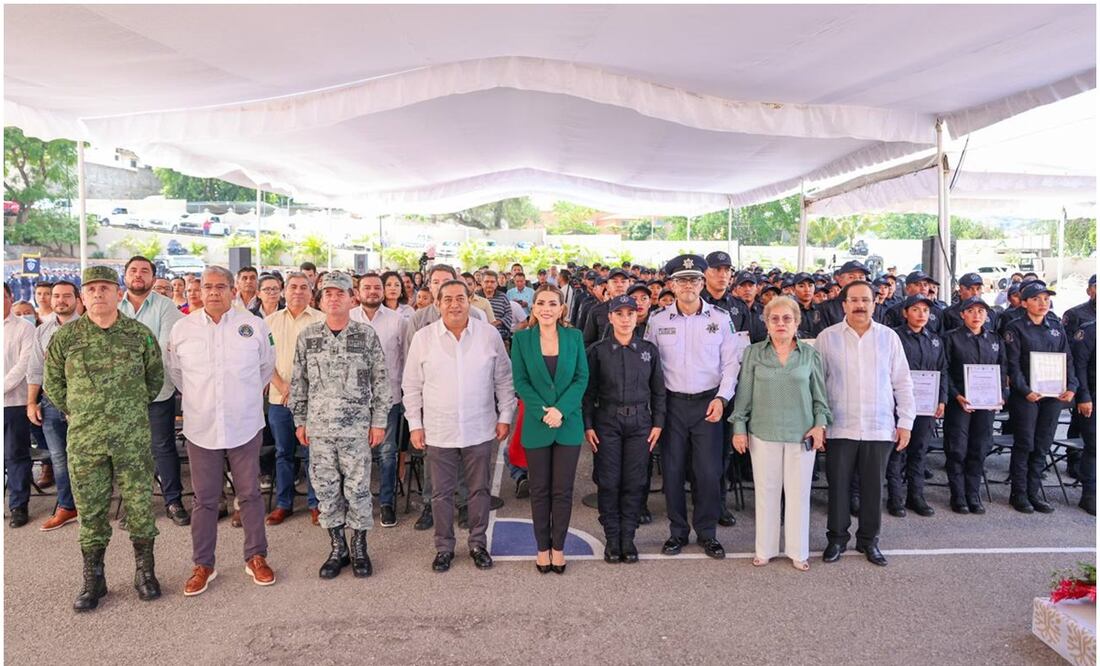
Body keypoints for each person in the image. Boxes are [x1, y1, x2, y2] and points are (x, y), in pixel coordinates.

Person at [43, 266, 164, 611]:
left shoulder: (138, 335)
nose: (98, 294)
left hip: (132, 439)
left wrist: (128, 409)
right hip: (86, 440)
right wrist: (81, 410)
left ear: (117, 293)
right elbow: (53, 385)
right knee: (91, 511)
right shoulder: (66, 338)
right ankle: (93, 579)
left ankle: (145, 573)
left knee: (140, 506)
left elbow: (154, 380)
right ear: (83, 296)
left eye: (105, 288)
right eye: (91, 288)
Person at [167, 266, 277, 596]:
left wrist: (240, 397)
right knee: (205, 499)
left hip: (244, 422)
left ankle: (256, 557)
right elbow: (176, 374)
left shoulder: (254, 326)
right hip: (202, 426)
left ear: (232, 290)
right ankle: (203, 564)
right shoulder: (182, 329)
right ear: (198, 291)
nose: (213, 292)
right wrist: (204, 399)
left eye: (220, 287)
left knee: (251, 494)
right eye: (207, 287)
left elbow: (265, 368)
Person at [402, 280, 515, 573]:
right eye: (448, 299)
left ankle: (478, 544)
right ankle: (444, 548)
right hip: (439, 430)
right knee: (441, 493)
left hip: (480, 428)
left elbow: (503, 379)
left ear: (470, 301)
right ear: (437, 303)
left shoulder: (488, 335)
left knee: (479, 491)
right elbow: (411, 385)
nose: (455, 304)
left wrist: (505, 417)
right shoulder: (424, 338)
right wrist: (415, 424)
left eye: (460, 298)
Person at [291, 272, 390, 578]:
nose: (334, 299)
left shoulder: (366, 334)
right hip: (319, 429)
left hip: (356, 429)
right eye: (328, 294)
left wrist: (379, 421)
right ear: (320, 300)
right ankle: (338, 548)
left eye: (340, 293)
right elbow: (299, 382)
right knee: (326, 489)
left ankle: (359, 547)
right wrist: (300, 419)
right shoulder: (308, 336)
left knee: (358, 489)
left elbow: (381, 380)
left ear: (352, 299)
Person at [644, 255, 742, 560]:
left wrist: (722, 398)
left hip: (708, 405)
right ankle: (677, 532)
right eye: (682, 280)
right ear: (672, 285)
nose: (688, 285)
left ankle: (707, 532)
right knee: (672, 471)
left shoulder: (720, 318)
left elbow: (731, 363)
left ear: (703, 283)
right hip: (672, 406)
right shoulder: (657, 321)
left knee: (709, 472)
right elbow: (651, 366)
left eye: (694, 280)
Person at [815, 280, 915, 567]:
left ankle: (869, 541)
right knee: (838, 487)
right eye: (854, 300)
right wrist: (819, 424)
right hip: (839, 426)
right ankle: (836, 539)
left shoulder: (889, 338)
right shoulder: (827, 337)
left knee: (873, 488)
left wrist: (905, 422)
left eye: (866, 300)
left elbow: (902, 382)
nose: (860, 305)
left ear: (875, 303)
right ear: (843, 304)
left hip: (878, 425)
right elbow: (817, 384)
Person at [730, 296, 830, 571]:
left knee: (798, 494)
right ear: (766, 323)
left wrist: (819, 425)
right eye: (774, 319)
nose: (781, 323)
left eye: (787, 318)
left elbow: (820, 398)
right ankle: (765, 549)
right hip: (763, 432)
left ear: (797, 322)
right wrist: (739, 427)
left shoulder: (810, 355)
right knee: (766, 492)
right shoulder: (754, 353)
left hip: (802, 435)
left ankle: (798, 551)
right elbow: (744, 395)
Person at [511, 284, 589, 573]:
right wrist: (543, 412)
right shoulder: (522, 340)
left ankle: (559, 548)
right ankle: (542, 548)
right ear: (533, 308)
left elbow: (581, 378)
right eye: (541, 302)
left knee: (562, 490)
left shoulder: (574, 337)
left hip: (567, 424)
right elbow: (520, 381)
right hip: (537, 423)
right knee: (540, 490)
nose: (547, 308)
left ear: (561, 308)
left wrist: (561, 410)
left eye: (552, 303)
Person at [401, 264, 486, 531]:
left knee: (465, 455)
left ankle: (463, 505)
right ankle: (430, 505)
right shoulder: (419, 318)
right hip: (433, 401)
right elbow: (411, 363)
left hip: (469, 403)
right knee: (433, 459)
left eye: (447, 281)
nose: (441, 286)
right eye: (436, 282)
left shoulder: (477, 316)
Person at [583, 295, 665, 564]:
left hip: (640, 423)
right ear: (610, 317)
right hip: (607, 421)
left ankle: (628, 538)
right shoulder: (597, 351)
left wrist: (658, 423)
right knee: (608, 482)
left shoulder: (649, 350)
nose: (626, 318)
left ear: (637, 317)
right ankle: (612, 538)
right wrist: (588, 425)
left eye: (631, 313)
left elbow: (658, 391)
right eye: (620, 313)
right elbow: (588, 392)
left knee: (634, 482)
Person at [118, 256, 190, 527]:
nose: (138, 275)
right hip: (121, 397)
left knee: (162, 447)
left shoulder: (166, 307)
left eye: (144, 271)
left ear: (152, 277)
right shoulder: (115, 306)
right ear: (125, 276)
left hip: (156, 391)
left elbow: (161, 349)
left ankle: (173, 501)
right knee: (130, 451)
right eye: (133, 270)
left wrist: (128, 365)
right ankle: (136, 505)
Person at [1003, 281, 1077, 514]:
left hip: (1052, 396)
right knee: (1025, 443)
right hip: (1026, 396)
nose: (1042, 303)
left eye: (1046, 298)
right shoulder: (1015, 328)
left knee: (1042, 444)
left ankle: (1034, 492)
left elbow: (1067, 361)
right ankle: (1019, 494)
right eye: (1036, 299)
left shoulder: (1055, 327)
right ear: (1024, 303)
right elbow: (1012, 366)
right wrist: (1026, 390)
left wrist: (1072, 386)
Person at [264, 273, 325, 526]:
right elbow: (263, 359)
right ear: (283, 291)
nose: (297, 292)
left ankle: (316, 503)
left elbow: (326, 361)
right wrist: (281, 385)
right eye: (292, 287)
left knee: (313, 452)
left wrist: (302, 390)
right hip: (280, 399)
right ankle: (284, 503)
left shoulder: (322, 321)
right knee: (283, 452)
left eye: (303, 287)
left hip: (313, 401)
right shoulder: (269, 322)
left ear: (311, 293)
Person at [350, 273, 406, 528]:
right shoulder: (348, 319)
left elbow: (406, 359)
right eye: (367, 287)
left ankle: (386, 503)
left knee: (387, 453)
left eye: (377, 287)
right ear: (358, 291)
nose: (372, 291)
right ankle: (358, 504)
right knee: (356, 455)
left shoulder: (398, 321)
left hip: (389, 398)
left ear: (383, 291)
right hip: (355, 400)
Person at [25, 280, 82, 530]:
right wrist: (31, 402)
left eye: (66, 296)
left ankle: (91, 507)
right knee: (59, 459)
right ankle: (67, 506)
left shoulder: (88, 328)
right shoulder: (42, 331)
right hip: (50, 403)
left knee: (87, 459)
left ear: (77, 299)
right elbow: (35, 370)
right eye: (56, 296)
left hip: (82, 405)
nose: (60, 300)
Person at [943, 297, 1007, 514]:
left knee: (979, 449)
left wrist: (1001, 395)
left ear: (987, 315)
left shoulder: (995, 339)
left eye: (981, 311)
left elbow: (1002, 370)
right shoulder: (951, 339)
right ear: (963, 314)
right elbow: (945, 371)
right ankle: (958, 496)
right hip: (960, 402)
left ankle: (973, 494)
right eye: (971, 311)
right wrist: (956, 395)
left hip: (986, 404)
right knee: (957, 449)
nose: (976, 315)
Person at [886, 294, 947, 518]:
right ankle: (895, 498)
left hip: (925, 404)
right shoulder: (894, 337)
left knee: (919, 451)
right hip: (898, 403)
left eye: (925, 310)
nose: (921, 314)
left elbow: (943, 370)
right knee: (897, 451)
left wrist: (942, 398)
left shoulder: (936, 340)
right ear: (905, 312)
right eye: (916, 310)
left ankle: (916, 496)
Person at [5, 283, 37, 528]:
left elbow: (24, 365)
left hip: (13, 403)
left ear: (10, 297)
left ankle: (18, 505)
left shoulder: (24, 328)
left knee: (16, 455)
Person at [1071, 318, 1095, 515]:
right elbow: (1079, 367)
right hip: (1092, 398)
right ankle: (1090, 495)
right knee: (1094, 446)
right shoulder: (1090, 331)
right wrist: (1084, 396)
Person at [582, 268, 631, 346]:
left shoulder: (637, 310)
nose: (619, 285)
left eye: (623, 281)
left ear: (629, 285)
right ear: (607, 286)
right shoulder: (596, 310)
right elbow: (587, 342)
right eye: (615, 282)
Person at [479, 270, 514, 342]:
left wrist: (497, 322)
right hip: (479, 336)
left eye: (492, 282)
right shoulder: (475, 297)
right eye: (486, 281)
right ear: (481, 283)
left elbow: (509, 315)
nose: (489, 284)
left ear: (496, 283)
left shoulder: (502, 296)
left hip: (500, 335)